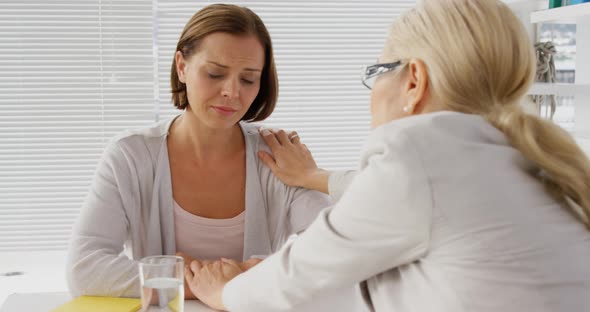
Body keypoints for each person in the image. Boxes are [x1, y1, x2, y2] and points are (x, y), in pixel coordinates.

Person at [184, 0, 590, 311]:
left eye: (378, 73)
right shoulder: (527, 159)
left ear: (414, 80)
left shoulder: (420, 151)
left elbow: (297, 277)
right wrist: (313, 178)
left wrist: (223, 290)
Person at [65, 4, 331, 299]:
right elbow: (84, 268)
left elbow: (332, 257)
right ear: (182, 66)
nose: (232, 91)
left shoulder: (281, 156)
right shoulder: (129, 156)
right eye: (215, 74)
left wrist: (172, 278)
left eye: (248, 79)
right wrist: (206, 284)